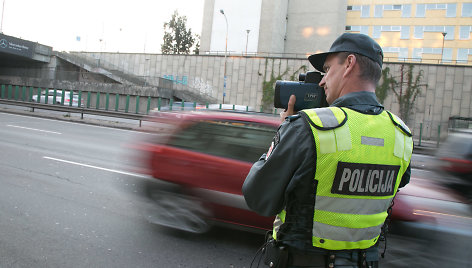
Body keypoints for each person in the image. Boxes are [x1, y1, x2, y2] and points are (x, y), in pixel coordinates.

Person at [242, 33, 413, 268]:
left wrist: (284, 130)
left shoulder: (307, 127)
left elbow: (258, 197)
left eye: (328, 68)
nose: (322, 81)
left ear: (349, 64)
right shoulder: (401, 135)